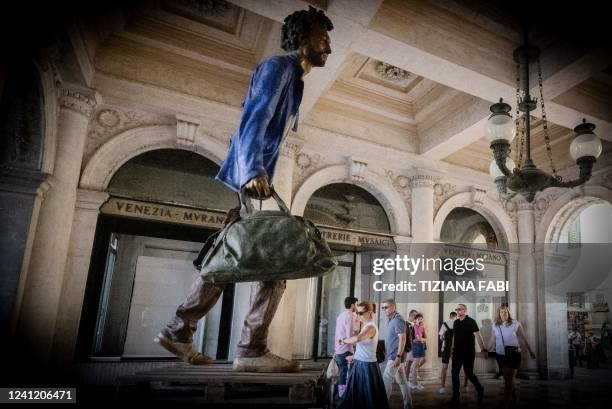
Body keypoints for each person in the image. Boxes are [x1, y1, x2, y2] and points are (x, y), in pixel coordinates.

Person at [154, 6, 334, 373]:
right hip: (249, 177)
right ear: (301, 40)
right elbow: (255, 118)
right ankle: (248, 349)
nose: (328, 46)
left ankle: (181, 331)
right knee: (272, 259)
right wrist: (252, 169)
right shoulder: (279, 68)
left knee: (240, 258)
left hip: (253, 180)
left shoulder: (294, 80)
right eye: (323, 37)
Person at [337, 301, 390, 409]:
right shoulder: (365, 326)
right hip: (359, 364)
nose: (358, 315)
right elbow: (362, 346)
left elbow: (357, 339)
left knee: (368, 399)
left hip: (367, 366)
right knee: (355, 397)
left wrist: (343, 341)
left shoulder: (371, 327)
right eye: (356, 312)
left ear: (369, 312)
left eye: (361, 313)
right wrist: (354, 356)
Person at [487, 305, 535, 409]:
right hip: (500, 354)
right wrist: (486, 350)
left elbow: (523, 338)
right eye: (501, 312)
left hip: (513, 353)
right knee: (508, 379)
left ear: (508, 313)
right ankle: (514, 400)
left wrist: (530, 351)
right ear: (498, 314)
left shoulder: (515, 323)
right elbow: (492, 339)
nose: (503, 314)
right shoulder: (495, 325)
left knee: (508, 381)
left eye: (505, 312)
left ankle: (505, 404)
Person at [447, 303, 487, 406]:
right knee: (454, 373)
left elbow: (478, 335)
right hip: (457, 352)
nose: (458, 311)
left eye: (459, 309)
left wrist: (483, 349)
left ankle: (480, 389)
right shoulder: (456, 322)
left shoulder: (471, 321)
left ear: (465, 310)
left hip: (468, 352)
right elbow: (454, 336)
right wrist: (452, 348)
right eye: (457, 309)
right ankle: (456, 397)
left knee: (469, 373)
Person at [381, 299, 412, 409]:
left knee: (386, 380)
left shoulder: (398, 320)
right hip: (394, 356)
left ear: (393, 306)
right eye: (383, 307)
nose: (384, 309)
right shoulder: (391, 319)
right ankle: (408, 405)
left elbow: (402, 339)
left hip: (395, 357)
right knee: (403, 382)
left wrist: (398, 357)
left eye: (386, 307)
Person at [334, 296, 359, 398]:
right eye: (357, 304)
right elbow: (349, 337)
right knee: (346, 375)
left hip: (339, 349)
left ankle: (339, 396)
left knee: (342, 374)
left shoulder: (340, 315)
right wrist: (358, 335)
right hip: (346, 350)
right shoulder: (350, 316)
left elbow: (337, 334)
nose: (357, 306)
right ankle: (343, 397)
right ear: (353, 305)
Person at [439, 311, 457, 394]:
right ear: (455, 317)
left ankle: (442, 387)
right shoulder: (457, 323)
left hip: (446, 348)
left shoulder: (444, 324)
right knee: (455, 369)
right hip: (456, 349)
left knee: (444, 368)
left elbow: (441, 338)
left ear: (449, 316)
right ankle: (456, 388)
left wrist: (445, 338)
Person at [409, 313, 426, 390]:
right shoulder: (413, 326)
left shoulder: (421, 327)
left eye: (421, 319)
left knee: (416, 364)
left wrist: (422, 339)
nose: (420, 320)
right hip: (416, 345)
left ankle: (414, 382)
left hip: (420, 345)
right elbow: (415, 338)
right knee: (415, 365)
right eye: (418, 319)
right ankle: (414, 383)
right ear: (415, 320)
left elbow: (425, 337)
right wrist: (420, 339)